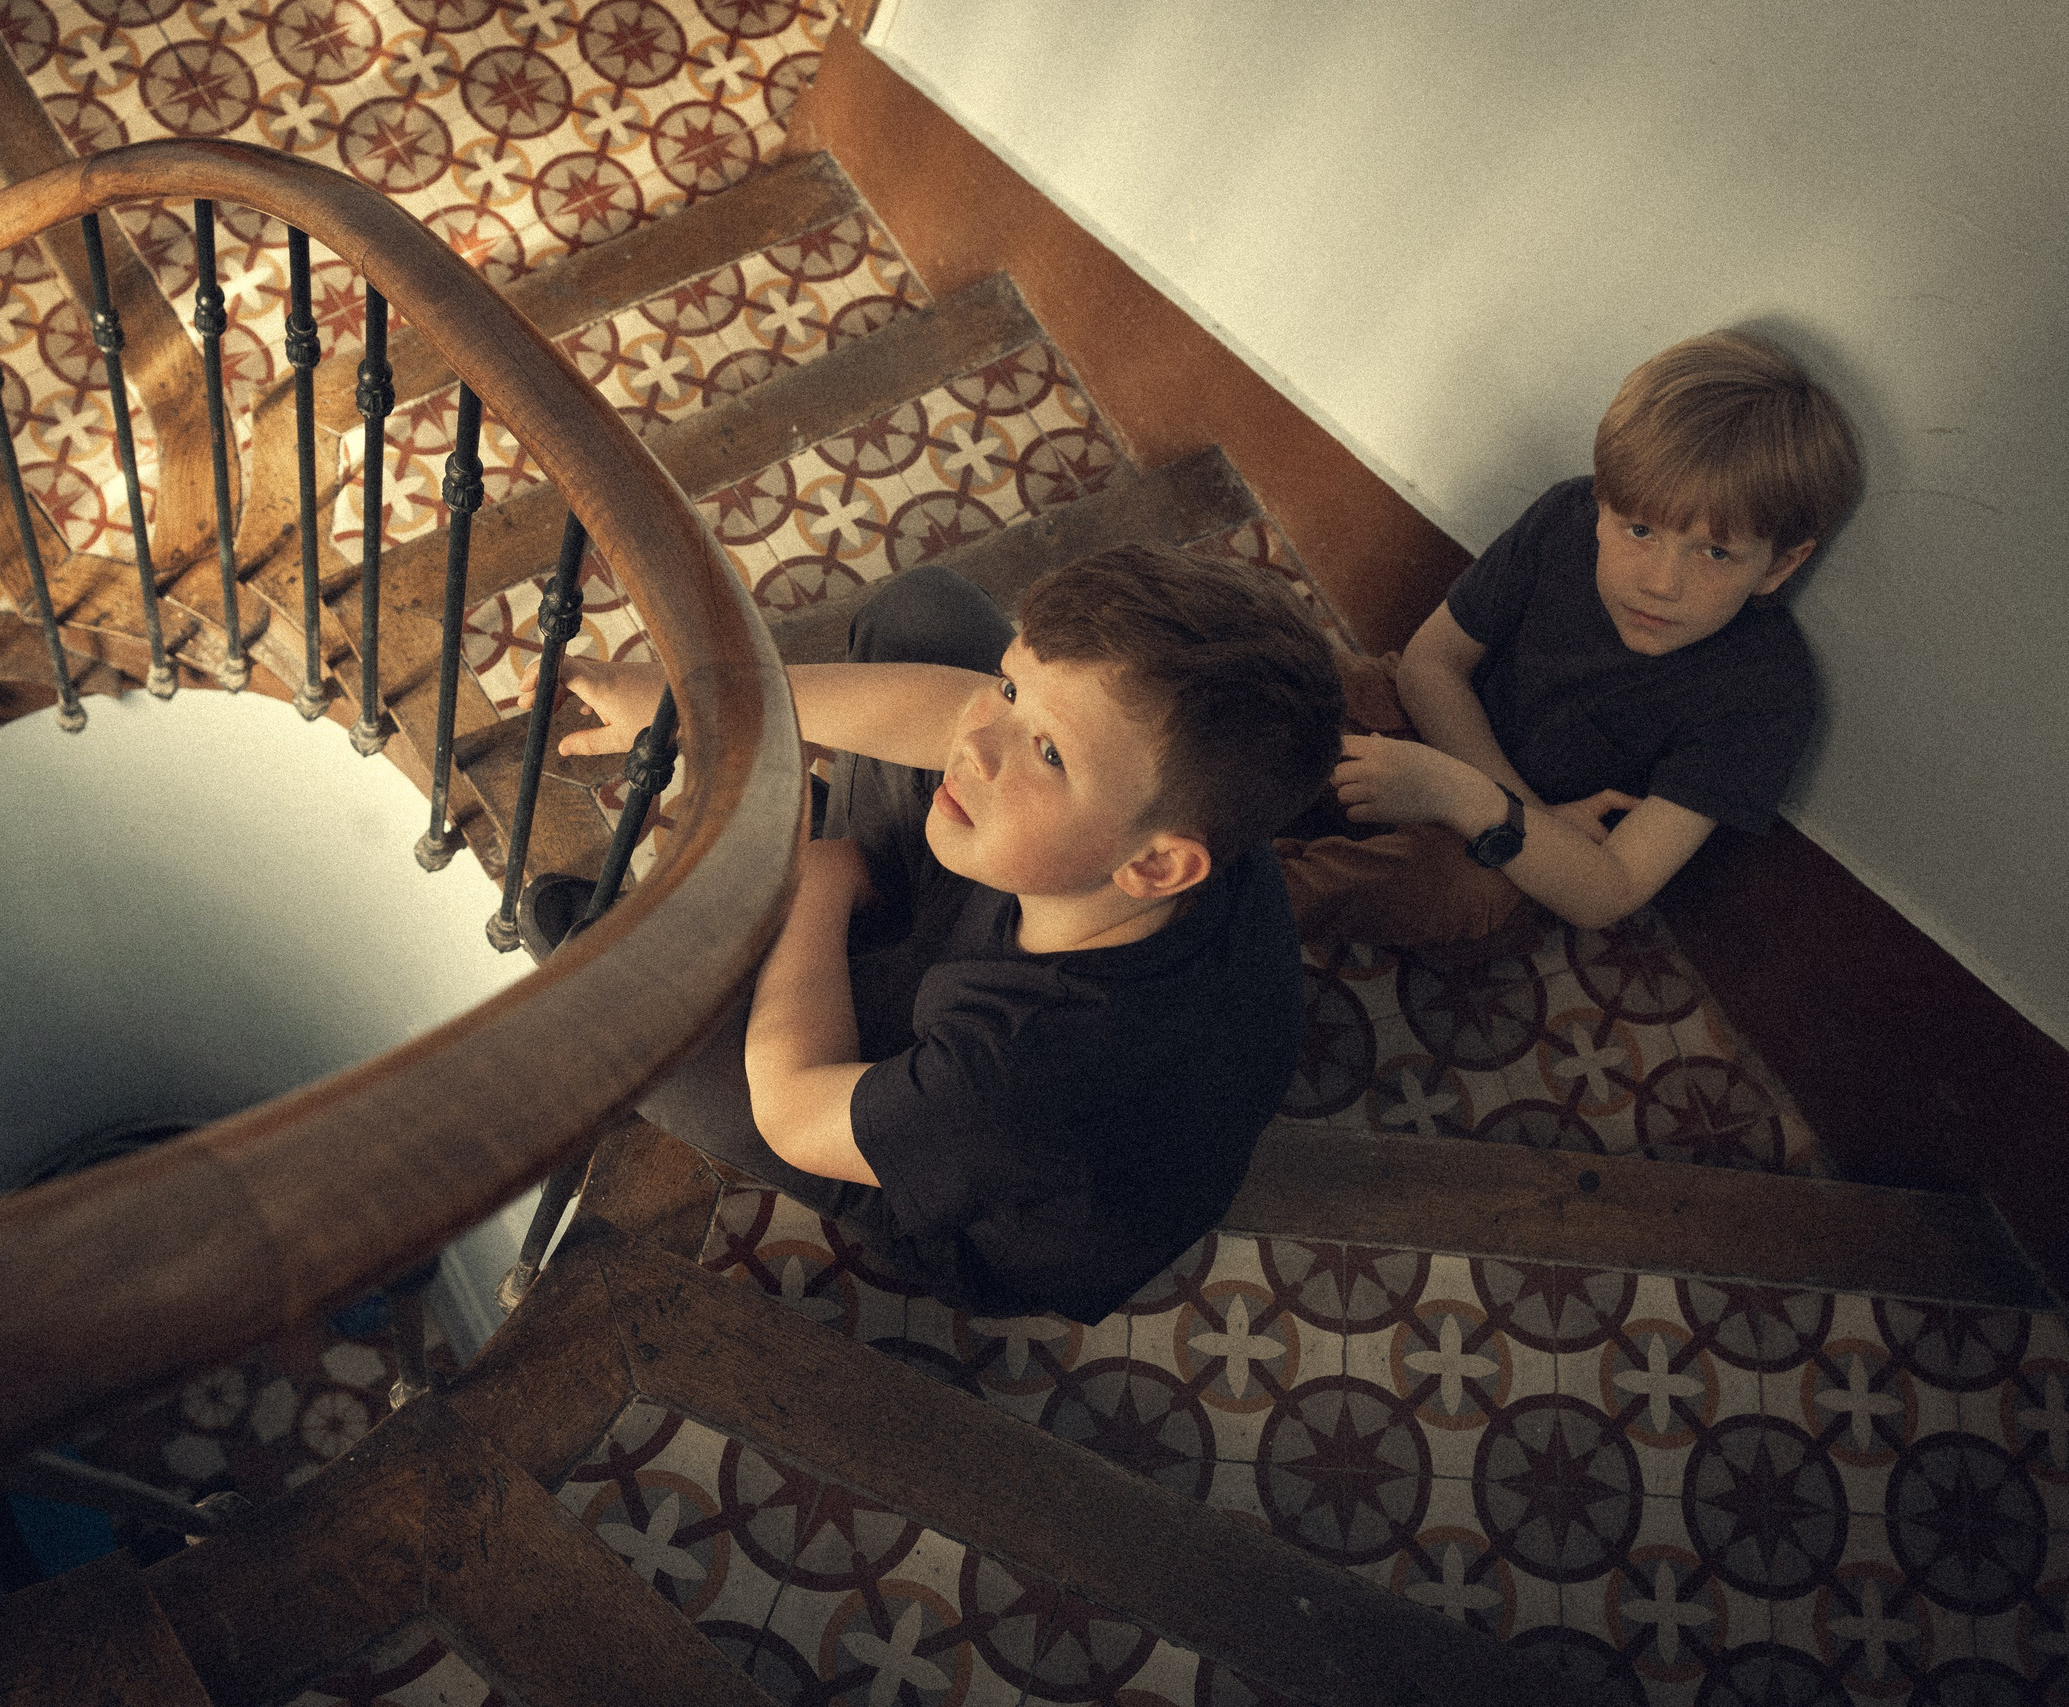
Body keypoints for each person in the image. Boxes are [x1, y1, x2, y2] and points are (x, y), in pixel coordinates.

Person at [533, 547, 1344, 1324]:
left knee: (607, 1011)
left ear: (1159, 864)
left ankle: (808, 928)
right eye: (1013, 687)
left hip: (965, 1187)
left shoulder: (1023, 1074)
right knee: (924, 613)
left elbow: (794, 1110)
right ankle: (859, 918)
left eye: (1050, 752)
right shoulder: (1177, 826)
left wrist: (817, 884)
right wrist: (707, 704)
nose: (977, 742)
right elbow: (959, 711)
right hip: (1010, 936)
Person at [1276, 329, 1863, 954]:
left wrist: (1462, 798)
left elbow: (1607, 892)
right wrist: (1502, 798)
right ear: (1600, 505)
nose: (1661, 584)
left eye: (1716, 553)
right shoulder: (1566, 519)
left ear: (1780, 566)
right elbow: (1430, 666)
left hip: (1524, 860)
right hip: (1455, 742)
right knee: (1282, 680)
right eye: (1640, 530)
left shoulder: (1765, 688)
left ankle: (1229, 908)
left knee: (1452, 887)